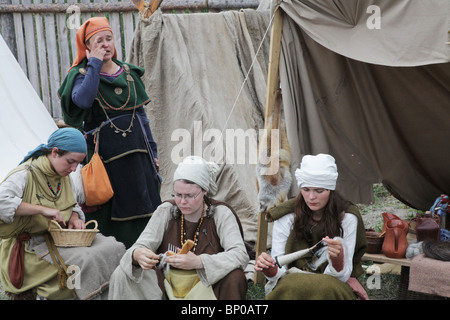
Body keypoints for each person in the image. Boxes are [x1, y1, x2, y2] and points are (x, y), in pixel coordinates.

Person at [58, 17, 161, 248]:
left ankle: (147, 255)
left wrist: (152, 152)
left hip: (138, 155)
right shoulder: (81, 75)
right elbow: (83, 101)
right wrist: (93, 63)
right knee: (110, 206)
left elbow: (142, 117)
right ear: (87, 47)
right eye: (98, 41)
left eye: (109, 39)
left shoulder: (128, 73)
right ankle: (113, 261)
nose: (106, 45)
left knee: (144, 204)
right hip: (104, 160)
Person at [0, 128, 126, 300]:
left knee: (113, 247)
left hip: (57, 239)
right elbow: (2, 202)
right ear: (54, 153)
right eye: (70, 162)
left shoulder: (64, 176)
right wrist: (41, 209)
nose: (74, 169)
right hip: (30, 246)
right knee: (85, 260)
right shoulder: (25, 174)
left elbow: (72, 205)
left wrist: (74, 217)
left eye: (78, 163)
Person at [109, 156, 249, 300]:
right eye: (177, 195)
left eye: (189, 196)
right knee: (124, 273)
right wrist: (137, 254)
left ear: (204, 191)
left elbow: (240, 254)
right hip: (166, 284)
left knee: (235, 277)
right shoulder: (166, 211)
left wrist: (199, 262)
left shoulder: (220, 214)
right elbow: (142, 245)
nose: (182, 202)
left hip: (206, 285)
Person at [255, 154, 368, 300]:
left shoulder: (347, 217)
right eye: (306, 189)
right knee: (288, 286)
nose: (311, 197)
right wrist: (270, 269)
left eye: (319, 191)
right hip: (291, 280)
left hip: (332, 282)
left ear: (330, 190)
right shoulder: (287, 215)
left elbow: (343, 275)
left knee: (326, 288)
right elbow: (279, 272)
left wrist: (337, 260)